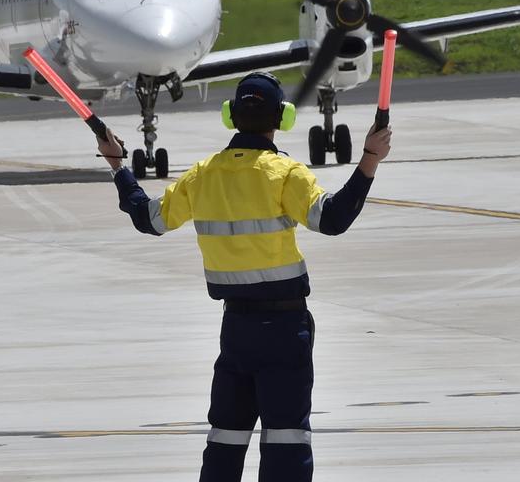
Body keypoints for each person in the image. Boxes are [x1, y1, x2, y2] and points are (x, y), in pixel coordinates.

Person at [96, 71, 392, 482]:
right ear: (282, 118)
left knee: (225, 440)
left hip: (235, 330)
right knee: (286, 440)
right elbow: (335, 219)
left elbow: (149, 220)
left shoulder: (202, 175)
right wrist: (370, 158)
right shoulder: (285, 173)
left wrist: (117, 165)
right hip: (285, 330)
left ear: (230, 116)